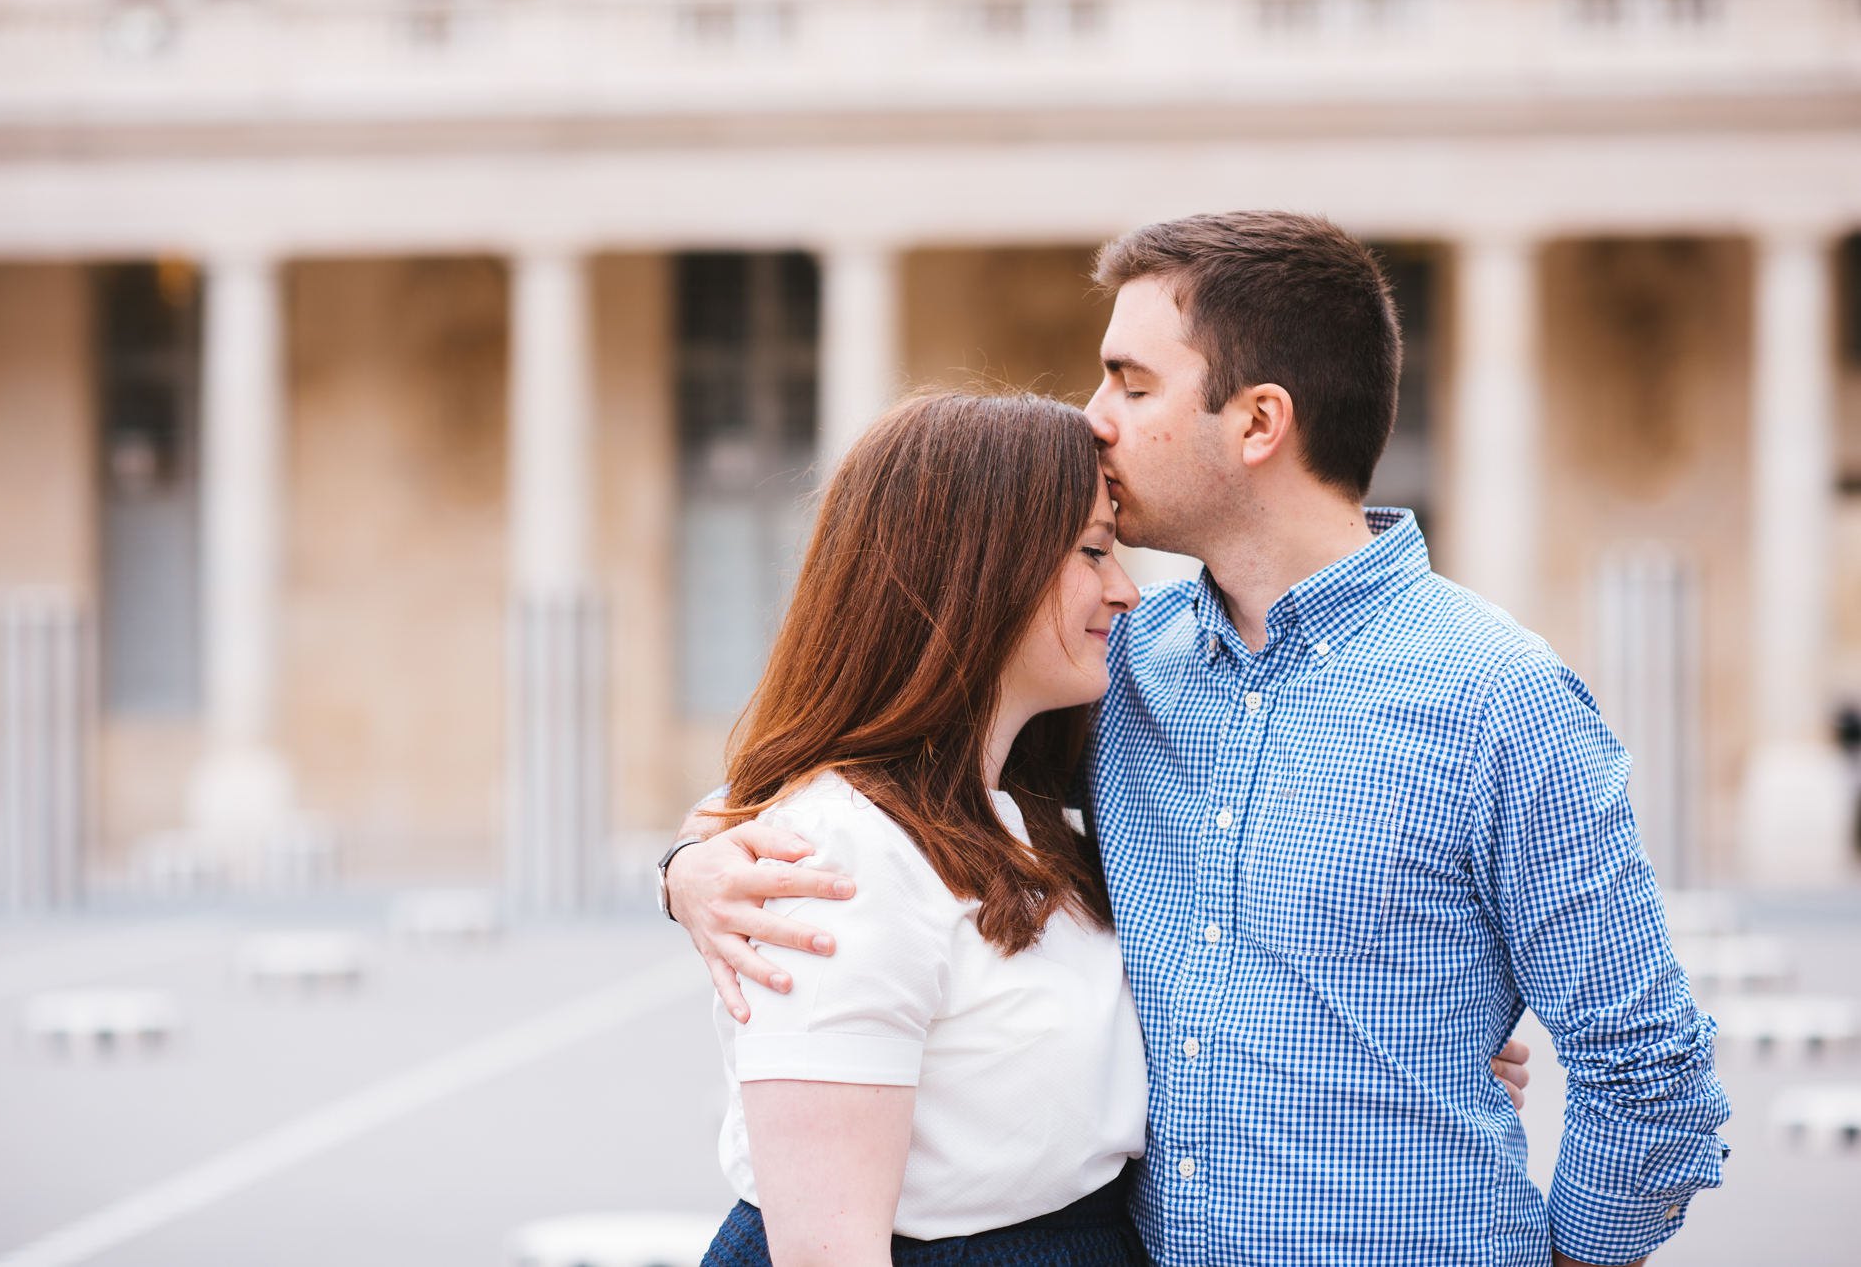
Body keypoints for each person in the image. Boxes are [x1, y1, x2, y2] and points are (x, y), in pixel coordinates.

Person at [667, 211, 1730, 1267]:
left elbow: (1646, 1071)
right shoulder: (1126, 664)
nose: (1092, 420)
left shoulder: (1498, 700)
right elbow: (891, 782)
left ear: (1258, 421)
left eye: (1130, 383)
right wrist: (696, 863)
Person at [697, 392, 1154, 1267]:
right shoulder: (840, 854)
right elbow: (829, 1253)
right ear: (982, 569)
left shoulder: (1025, 814)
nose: (1125, 589)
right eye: (1094, 552)